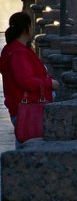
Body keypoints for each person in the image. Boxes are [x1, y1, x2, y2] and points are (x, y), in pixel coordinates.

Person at [0, 11, 58, 143]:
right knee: (31, 148)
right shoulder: (19, 53)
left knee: (23, 146)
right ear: (27, 28)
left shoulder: (11, 49)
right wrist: (49, 83)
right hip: (28, 107)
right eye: (31, 25)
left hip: (20, 107)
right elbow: (26, 80)